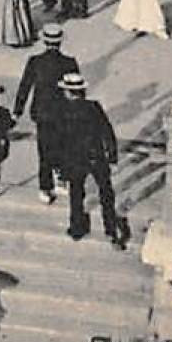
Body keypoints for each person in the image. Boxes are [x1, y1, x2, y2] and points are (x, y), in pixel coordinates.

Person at [54, 73, 125, 247]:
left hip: (74, 159)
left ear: (69, 92)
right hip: (96, 156)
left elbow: (58, 140)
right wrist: (112, 154)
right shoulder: (93, 107)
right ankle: (110, 229)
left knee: (76, 193)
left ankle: (77, 228)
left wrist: (58, 166)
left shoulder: (62, 110)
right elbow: (106, 131)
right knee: (106, 193)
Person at [14, 23, 81, 205]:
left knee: (44, 151)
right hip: (63, 113)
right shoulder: (70, 63)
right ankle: (61, 177)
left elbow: (25, 87)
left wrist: (17, 111)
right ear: (60, 41)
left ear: (44, 40)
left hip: (42, 113)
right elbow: (76, 91)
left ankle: (45, 188)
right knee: (63, 145)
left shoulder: (35, 61)